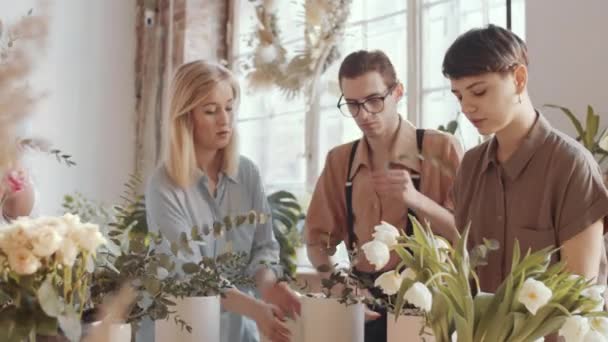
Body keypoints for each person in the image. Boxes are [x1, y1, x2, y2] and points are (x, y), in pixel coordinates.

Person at [304, 50, 463, 342]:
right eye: (352, 104)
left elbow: (466, 235)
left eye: (374, 100)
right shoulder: (340, 161)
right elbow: (316, 241)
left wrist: (416, 199)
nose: (363, 114)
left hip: (428, 303)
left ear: (398, 92)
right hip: (363, 304)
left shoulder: (441, 149)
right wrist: (342, 287)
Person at [444, 25, 608, 293]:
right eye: (459, 95)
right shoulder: (471, 166)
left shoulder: (571, 166)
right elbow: (464, 273)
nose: (466, 107)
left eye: (479, 91)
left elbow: (580, 294)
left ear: (519, 79)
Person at [146, 60, 301, 342]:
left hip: (239, 333)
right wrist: (255, 308)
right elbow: (192, 274)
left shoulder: (248, 174)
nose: (224, 120)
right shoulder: (163, 187)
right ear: (185, 117)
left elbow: (264, 247)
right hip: (182, 332)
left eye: (229, 107)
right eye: (210, 110)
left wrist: (269, 288)